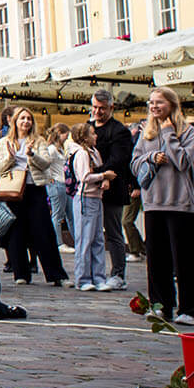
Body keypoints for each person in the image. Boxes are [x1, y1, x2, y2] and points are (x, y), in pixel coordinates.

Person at [129, 88, 194, 323]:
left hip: (179, 202)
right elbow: (134, 162)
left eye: (159, 102)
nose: (154, 107)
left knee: (184, 259)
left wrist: (169, 133)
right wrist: (151, 157)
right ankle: (161, 305)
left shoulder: (188, 132)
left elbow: (183, 162)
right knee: (157, 258)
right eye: (151, 102)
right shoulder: (146, 133)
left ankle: (190, 309)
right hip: (153, 203)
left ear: (171, 104)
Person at [0, 106, 70, 287]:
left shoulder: (39, 141)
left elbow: (46, 163)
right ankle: (21, 273)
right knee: (16, 233)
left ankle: (55, 274)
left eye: (28, 119)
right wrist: (10, 159)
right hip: (12, 190)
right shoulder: (4, 142)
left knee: (44, 231)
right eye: (22, 118)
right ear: (15, 122)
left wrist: (31, 155)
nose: (26, 122)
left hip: (35, 189)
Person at [90, 89, 135, 291]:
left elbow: (118, 160)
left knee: (114, 232)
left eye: (102, 108)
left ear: (111, 108)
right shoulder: (89, 127)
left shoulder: (119, 131)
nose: (97, 111)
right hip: (91, 189)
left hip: (113, 189)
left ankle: (118, 273)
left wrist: (94, 172)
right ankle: (93, 272)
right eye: (95, 107)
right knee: (91, 232)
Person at [68, 122, 109, 291]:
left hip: (96, 197)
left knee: (98, 238)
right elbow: (84, 177)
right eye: (92, 133)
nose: (96, 136)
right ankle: (83, 278)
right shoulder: (82, 154)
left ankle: (98, 277)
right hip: (85, 198)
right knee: (85, 238)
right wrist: (103, 176)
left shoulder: (94, 152)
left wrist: (103, 178)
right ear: (84, 137)